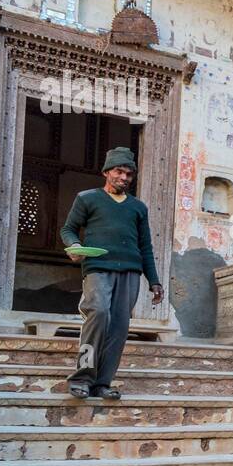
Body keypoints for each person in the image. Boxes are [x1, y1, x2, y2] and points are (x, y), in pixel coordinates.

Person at [60, 147, 163, 399]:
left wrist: (154, 281)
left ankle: (102, 383)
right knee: (98, 315)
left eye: (129, 174)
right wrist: (74, 246)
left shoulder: (138, 207)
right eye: (119, 171)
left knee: (119, 327)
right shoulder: (87, 198)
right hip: (97, 268)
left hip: (130, 272)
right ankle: (82, 378)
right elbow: (68, 229)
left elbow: (145, 246)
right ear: (106, 172)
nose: (124, 177)